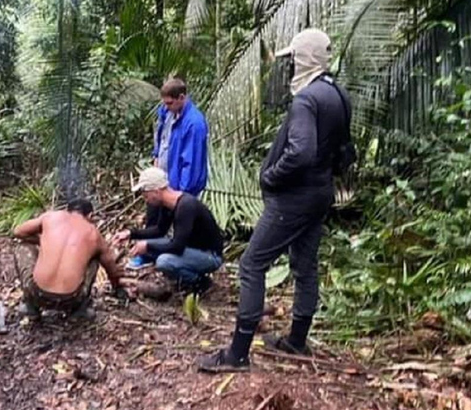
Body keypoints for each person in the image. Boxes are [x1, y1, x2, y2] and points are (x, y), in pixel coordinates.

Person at [198, 28, 352, 372]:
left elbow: (301, 152)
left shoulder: (306, 100)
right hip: (320, 194)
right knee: (305, 266)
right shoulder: (338, 95)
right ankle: (297, 340)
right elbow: (344, 151)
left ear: (304, 59)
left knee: (252, 265)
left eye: (294, 58)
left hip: (294, 199)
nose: (291, 65)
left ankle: (237, 353)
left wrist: (271, 176)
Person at [129, 78, 209, 270]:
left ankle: (187, 263)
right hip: (161, 174)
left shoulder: (194, 123)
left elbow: (191, 159)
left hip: (178, 182)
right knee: (154, 215)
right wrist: (156, 158)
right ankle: (148, 253)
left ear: (182, 97)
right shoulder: (166, 113)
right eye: (164, 103)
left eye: (170, 103)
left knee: (182, 227)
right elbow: (161, 139)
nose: (166, 107)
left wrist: (181, 192)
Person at [12, 199, 127, 319]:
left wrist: (45, 242)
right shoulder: (94, 234)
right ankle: (81, 309)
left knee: (23, 246)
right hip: (72, 298)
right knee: (95, 257)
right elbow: (111, 269)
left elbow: (18, 232)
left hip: (37, 293)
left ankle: (29, 305)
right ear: (90, 216)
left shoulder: (51, 217)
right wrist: (117, 287)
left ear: (67, 211)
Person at [114, 167, 223, 294]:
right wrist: (130, 234)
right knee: (152, 246)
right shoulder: (168, 206)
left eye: (146, 193)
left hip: (209, 255)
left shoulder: (185, 206)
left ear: (156, 191)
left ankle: (200, 282)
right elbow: (159, 230)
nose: (145, 198)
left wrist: (148, 246)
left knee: (164, 262)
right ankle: (183, 278)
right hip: (190, 249)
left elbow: (177, 246)